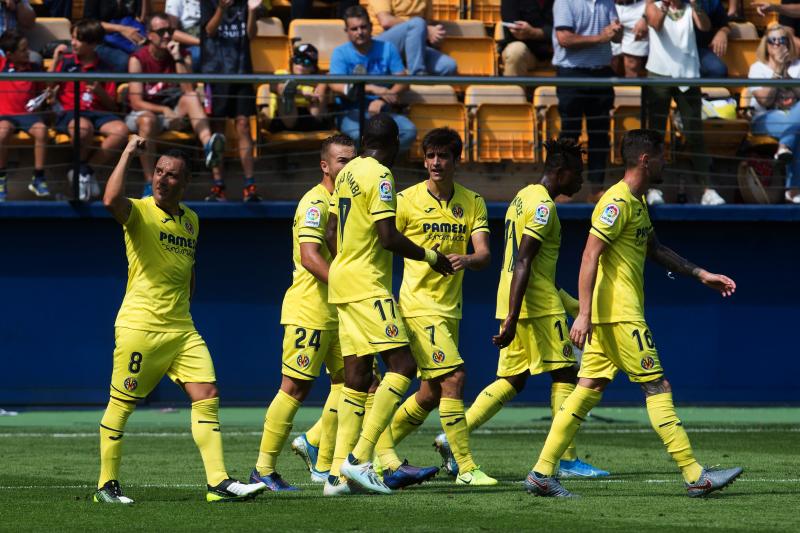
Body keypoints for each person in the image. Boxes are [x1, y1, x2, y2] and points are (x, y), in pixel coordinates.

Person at [524, 129, 742, 498]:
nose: (665, 162)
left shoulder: (637, 204)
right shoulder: (617, 202)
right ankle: (694, 475)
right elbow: (589, 255)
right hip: (620, 315)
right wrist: (584, 313)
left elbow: (654, 248)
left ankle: (542, 473)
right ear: (645, 160)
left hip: (612, 317)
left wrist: (699, 273)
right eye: (661, 156)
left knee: (587, 388)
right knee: (657, 386)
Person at [96, 135, 268, 504]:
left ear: (185, 183)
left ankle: (218, 483)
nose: (161, 179)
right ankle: (105, 486)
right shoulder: (140, 211)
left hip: (182, 329)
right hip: (141, 326)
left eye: (171, 175)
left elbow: (189, 267)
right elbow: (109, 199)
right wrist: (128, 151)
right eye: (158, 172)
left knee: (207, 393)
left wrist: (186, 301)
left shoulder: (191, 220)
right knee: (122, 404)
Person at [432, 139, 609, 480]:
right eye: (578, 173)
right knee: (565, 374)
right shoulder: (544, 207)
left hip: (515, 297)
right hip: (535, 305)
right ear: (561, 171)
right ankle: (567, 460)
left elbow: (533, 266)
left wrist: (573, 305)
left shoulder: (521, 196)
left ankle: (452, 436)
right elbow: (525, 261)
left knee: (512, 379)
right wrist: (514, 317)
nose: (581, 181)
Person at [321, 113, 454, 496]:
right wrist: (430, 256)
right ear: (394, 143)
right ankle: (359, 458)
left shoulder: (346, 174)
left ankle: (335, 477)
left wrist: (345, 261)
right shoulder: (379, 175)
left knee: (357, 378)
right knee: (403, 365)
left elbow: (331, 231)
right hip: (367, 284)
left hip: (343, 282)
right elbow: (387, 236)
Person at [372, 127, 496, 488]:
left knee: (429, 393)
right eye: (430, 156)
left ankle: (381, 450)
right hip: (416, 305)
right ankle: (466, 467)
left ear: (456, 160)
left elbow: (486, 254)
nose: (436, 163)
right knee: (455, 378)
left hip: (449, 309)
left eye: (443, 156)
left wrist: (468, 259)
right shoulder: (405, 199)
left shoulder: (472, 202)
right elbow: (383, 241)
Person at [249, 134, 356, 491]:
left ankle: (318, 450)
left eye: (352, 160)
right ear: (325, 165)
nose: (348, 167)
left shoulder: (345, 202)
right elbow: (310, 257)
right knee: (294, 388)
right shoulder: (315, 202)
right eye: (342, 161)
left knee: (355, 384)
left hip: (339, 311)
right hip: (310, 311)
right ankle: (263, 468)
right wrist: (349, 290)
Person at [127, 12, 225, 197]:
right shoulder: (137, 59)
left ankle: (208, 146)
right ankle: (149, 183)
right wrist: (164, 110)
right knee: (148, 121)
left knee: (191, 97)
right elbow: (136, 102)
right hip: (145, 113)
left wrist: (177, 58)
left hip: (174, 111)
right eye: (161, 31)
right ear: (149, 34)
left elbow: (188, 89)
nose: (166, 35)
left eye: (170, 31)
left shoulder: (182, 54)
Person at [643, 0, 725, 206]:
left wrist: (696, 6)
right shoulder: (653, 5)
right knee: (656, 135)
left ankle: (707, 189)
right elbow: (655, 23)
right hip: (658, 76)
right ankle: (652, 188)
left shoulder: (691, 8)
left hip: (688, 76)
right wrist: (665, 4)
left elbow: (705, 26)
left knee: (695, 134)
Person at [51, 19, 130, 202]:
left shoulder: (105, 68)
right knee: (83, 128)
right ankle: (82, 173)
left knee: (122, 131)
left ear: (93, 43)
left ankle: (84, 170)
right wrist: (55, 61)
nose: (73, 42)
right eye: (72, 38)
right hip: (72, 113)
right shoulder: (66, 63)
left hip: (99, 113)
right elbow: (48, 87)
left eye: (78, 39)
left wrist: (100, 92)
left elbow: (112, 106)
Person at [552, 0, 621, 203]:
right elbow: (564, 39)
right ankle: (563, 190)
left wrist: (616, 32)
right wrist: (602, 37)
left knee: (600, 135)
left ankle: (596, 189)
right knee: (569, 135)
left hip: (601, 73)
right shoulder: (564, 2)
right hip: (572, 73)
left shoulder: (607, 2)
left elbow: (617, 37)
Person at [329, 6, 417, 153]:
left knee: (409, 131)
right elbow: (335, 85)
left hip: (383, 112)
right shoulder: (340, 53)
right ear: (347, 31)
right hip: (351, 112)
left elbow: (404, 81)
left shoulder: (387, 48)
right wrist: (372, 88)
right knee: (358, 136)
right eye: (354, 28)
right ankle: (369, 168)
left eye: (363, 27)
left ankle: (378, 164)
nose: (360, 32)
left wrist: (381, 100)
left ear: (370, 27)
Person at [201, 0, 260, 202]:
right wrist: (221, 8)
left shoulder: (246, 3)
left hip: (242, 71)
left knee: (243, 125)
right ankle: (218, 186)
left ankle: (249, 186)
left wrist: (252, 11)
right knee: (217, 129)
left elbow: (251, 34)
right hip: (216, 72)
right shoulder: (209, 3)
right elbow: (209, 30)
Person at [747, 23, 800, 203]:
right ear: (766, 44)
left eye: (782, 40)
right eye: (773, 40)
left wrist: (787, 72)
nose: (777, 44)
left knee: (795, 127)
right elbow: (765, 101)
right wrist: (777, 72)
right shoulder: (757, 68)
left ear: (788, 43)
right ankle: (793, 190)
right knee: (796, 130)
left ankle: (785, 147)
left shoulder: (797, 66)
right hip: (765, 118)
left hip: (794, 117)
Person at [0, 29, 50, 201]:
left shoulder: (35, 68)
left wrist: (48, 95)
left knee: (42, 130)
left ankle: (38, 177)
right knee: (2, 132)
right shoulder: (1, 65)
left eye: (27, 48)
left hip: (28, 116)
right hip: (5, 115)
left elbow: (42, 93)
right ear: (9, 54)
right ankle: (1, 178)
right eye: (23, 50)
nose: (28, 52)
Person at [368, 0, 457, 76]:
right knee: (418, 23)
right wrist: (426, 29)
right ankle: (417, 75)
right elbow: (386, 21)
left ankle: (403, 72)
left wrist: (435, 37)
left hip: (413, 46)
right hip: (380, 46)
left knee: (448, 66)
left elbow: (427, 24)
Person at [268, 43, 331, 133]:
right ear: (292, 62)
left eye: (306, 62)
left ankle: (351, 88)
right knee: (283, 88)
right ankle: (289, 93)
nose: (301, 64)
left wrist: (314, 98)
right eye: (297, 60)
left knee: (324, 82)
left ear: (313, 68)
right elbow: (272, 87)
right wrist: (301, 92)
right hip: (286, 118)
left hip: (311, 117)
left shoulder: (318, 81)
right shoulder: (281, 74)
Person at [84, 0, 150, 73]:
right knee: (124, 61)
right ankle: (120, 84)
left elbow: (142, 19)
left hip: (129, 40)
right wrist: (121, 29)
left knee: (147, 57)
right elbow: (89, 23)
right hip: (103, 41)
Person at [499, 0, 554, 77]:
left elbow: (568, 30)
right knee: (515, 50)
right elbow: (517, 33)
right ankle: (515, 88)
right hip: (529, 51)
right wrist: (546, 45)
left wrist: (533, 32)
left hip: (557, 51)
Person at [611, 0, 649, 78]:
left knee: (632, 64)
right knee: (611, 60)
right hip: (610, 6)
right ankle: (609, 89)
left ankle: (630, 89)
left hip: (638, 8)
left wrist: (645, 16)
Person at [695, 0, 730, 78]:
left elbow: (724, 24)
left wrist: (722, 32)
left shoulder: (711, 2)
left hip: (698, 49)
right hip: (672, 49)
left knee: (718, 70)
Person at [166, 0, 202, 69]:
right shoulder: (175, 1)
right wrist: (201, 42)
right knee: (199, 54)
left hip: (212, 38)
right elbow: (171, 32)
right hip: (191, 43)